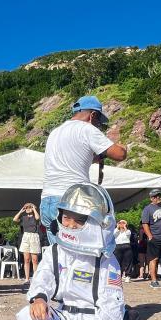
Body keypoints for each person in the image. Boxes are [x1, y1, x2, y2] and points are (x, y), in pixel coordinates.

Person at [16, 182, 127, 320]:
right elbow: (43, 277)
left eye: (80, 219)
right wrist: (39, 299)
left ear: (96, 221)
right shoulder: (56, 249)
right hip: (64, 316)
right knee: (27, 318)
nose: (71, 224)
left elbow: (112, 301)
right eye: (66, 217)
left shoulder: (106, 257)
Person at [40, 95, 127, 244]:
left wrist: (96, 158)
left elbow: (73, 158)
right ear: (92, 115)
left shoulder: (55, 132)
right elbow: (119, 155)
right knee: (77, 256)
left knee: (58, 258)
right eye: (99, 121)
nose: (98, 125)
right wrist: (124, 148)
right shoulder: (86, 129)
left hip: (47, 200)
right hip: (69, 201)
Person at [14, 202, 41, 285]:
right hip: (25, 237)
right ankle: (27, 278)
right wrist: (21, 211)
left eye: (29, 207)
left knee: (35, 260)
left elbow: (37, 217)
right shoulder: (23, 217)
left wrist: (34, 209)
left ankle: (35, 278)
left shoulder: (35, 216)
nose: (27, 208)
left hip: (34, 236)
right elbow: (14, 219)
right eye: (26, 207)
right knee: (26, 259)